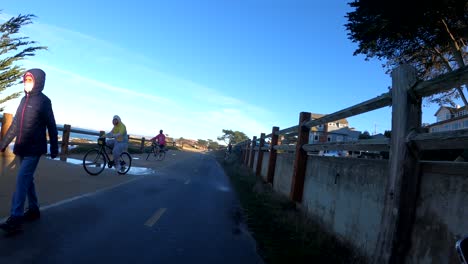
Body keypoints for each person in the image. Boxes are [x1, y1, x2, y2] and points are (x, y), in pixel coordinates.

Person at [0, 68, 58, 234]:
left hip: (34, 149)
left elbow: (52, 126)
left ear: (38, 82)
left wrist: (54, 148)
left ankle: (15, 218)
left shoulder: (44, 101)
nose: (26, 83)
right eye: (25, 80)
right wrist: (3, 144)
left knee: (21, 181)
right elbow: (15, 125)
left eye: (30, 80)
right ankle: (33, 209)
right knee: (27, 180)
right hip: (21, 148)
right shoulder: (22, 100)